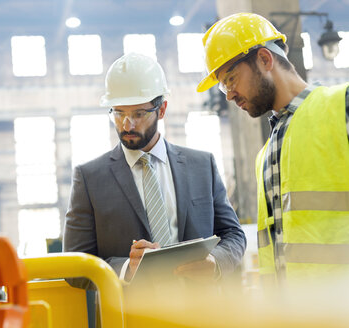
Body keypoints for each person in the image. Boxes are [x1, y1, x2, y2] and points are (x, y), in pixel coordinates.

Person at [63, 52, 246, 288]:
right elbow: (74, 267)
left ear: (161, 110)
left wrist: (215, 262)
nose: (127, 124)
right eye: (119, 113)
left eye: (139, 114)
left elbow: (233, 234)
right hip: (129, 318)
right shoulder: (89, 178)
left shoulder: (201, 166)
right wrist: (127, 269)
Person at [197, 12, 349, 286]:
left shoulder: (341, 106)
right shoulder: (265, 156)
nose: (229, 94)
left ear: (265, 59)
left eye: (231, 79)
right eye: (223, 86)